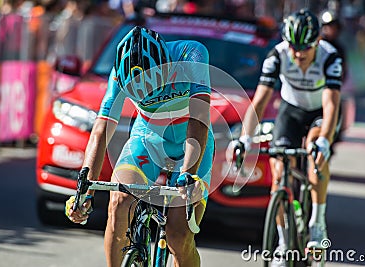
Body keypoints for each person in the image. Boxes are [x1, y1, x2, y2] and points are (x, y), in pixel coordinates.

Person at [65, 26, 214, 267]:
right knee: (119, 201)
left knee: (178, 236)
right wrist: (85, 190)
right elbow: (102, 128)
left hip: (191, 144)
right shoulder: (119, 71)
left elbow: (199, 119)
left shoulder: (191, 54)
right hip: (148, 141)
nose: (146, 96)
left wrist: (188, 173)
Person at [226, 8, 343, 258]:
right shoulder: (277, 55)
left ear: (317, 42)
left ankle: (317, 224)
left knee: (315, 158)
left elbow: (332, 104)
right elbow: (258, 102)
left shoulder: (330, 58)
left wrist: (324, 140)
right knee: (279, 174)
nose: (298, 53)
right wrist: (245, 138)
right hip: (291, 111)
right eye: (293, 47)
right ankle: (282, 243)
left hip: (320, 112)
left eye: (304, 48)